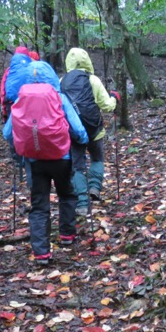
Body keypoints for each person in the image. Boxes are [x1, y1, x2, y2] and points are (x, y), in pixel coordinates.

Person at [3, 61, 89, 266]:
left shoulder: (20, 99)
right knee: (67, 194)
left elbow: (7, 133)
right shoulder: (59, 97)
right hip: (62, 157)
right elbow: (77, 128)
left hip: (34, 160)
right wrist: (83, 140)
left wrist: (22, 146)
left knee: (39, 204)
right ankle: (67, 235)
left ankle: (41, 252)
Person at [61, 48, 120, 216]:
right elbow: (107, 106)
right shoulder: (93, 79)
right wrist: (114, 98)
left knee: (77, 166)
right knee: (97, 158)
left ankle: (81, 203)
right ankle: (94, 187)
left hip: (72, 132)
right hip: (94, 129)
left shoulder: (61, 82)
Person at [0, 46, 31, 122]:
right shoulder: (32, 69)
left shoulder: (9, 70)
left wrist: (4, 112)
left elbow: (3, 91)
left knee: (12, 129)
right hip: (28, 104)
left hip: (11, 103)